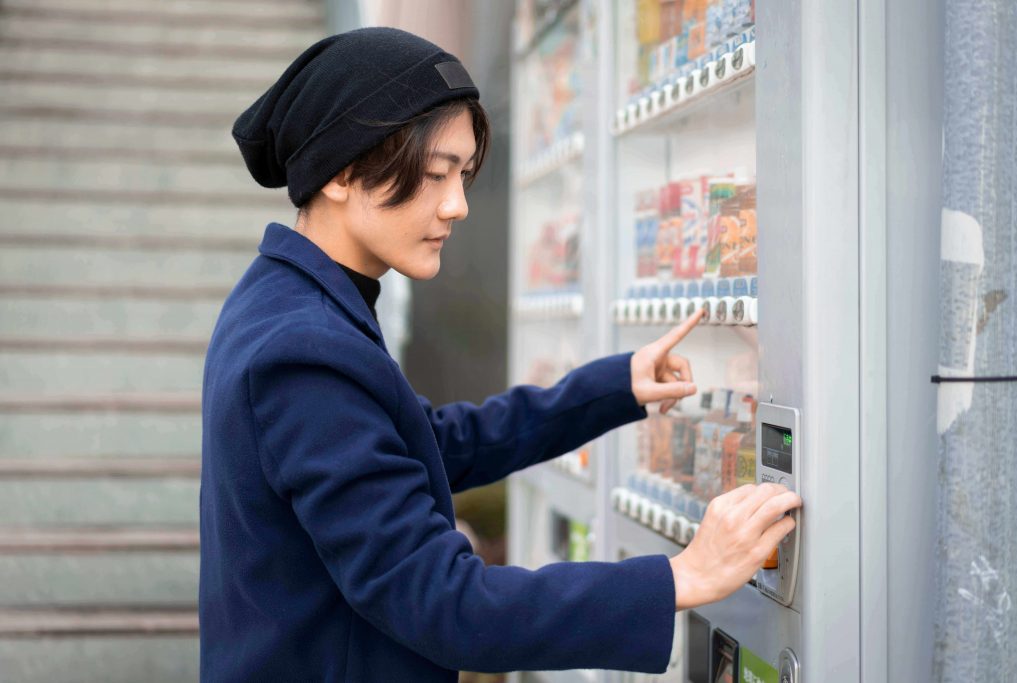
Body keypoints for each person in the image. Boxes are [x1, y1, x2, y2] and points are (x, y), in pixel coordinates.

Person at [200, 27, 801, 682]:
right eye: (435, 175)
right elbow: (449, 605)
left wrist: (611, 388)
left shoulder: (285, 300)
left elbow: (429, 444)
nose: (457, 205)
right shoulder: (305, 349)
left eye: (462, 174)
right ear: (342, 172)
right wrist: (680, 576)